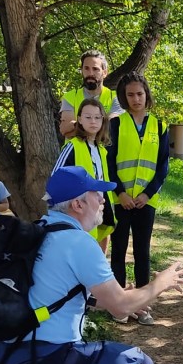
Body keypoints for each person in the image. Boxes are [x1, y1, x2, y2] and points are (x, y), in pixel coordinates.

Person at [0, 166, 183, 364]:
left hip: (4, 356)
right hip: (43, 358)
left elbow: (58, 292)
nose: (104, 200)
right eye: (97, 195)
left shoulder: (39, 230)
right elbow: (121, 307)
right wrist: (160, 283)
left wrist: (118, 299)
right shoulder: (78, 243)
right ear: (78, 204)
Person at [106, 73, 170, 325]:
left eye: (140, 94)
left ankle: (142, 305)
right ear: (124, 97)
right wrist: (120, 192)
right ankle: (119, 304)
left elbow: (162, 165)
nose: (136, 99)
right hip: (119, 199)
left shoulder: (159, 126)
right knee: (119, 249)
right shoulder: (116, 125)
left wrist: (147, 194)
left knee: (142, 251)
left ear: (147, 95)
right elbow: (109, 161)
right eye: (130, 95)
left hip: (146, 200)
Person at [54, 98, 115, 251]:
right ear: (80, 119)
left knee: (94, 249)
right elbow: (56, 179)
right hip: (77, 212)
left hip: (96, 210)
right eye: (88, 117)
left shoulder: (102, 150)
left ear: (103, 120)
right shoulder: (73, 146)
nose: (93, 121)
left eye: (97, 117)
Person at [59, 50, 122, 140]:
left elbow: (112, 129)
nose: (90, 73)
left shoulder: (115, 97)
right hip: (76, 153)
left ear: (104, 72)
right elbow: (66, 130)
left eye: (95, 69)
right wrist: (101, 124)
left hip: (104, 153)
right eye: (86, 68)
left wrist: (77, 125)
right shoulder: (70, 96)